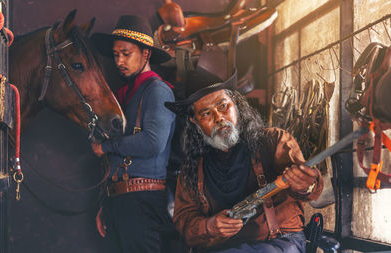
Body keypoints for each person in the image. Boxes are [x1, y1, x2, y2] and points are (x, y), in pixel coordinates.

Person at [164, 68, 323, 253]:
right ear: (194, 121)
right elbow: (185, 223)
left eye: (223, 106)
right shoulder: (192, 167)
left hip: (278, 243)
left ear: (236, 104)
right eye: (206, 113)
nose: (219, 118)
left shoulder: (274, 141)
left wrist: (305, 184)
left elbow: (310, 190)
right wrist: (209, 226)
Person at [90, 15, 175, 253]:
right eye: (116, 55)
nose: (119, 61)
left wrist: (105, 147)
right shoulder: (125, 93)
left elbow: (152, 142)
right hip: (120, 200)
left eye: (126, 53)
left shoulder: (157, 91)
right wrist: (106, 203)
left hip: (143, 201)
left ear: (146, 53)